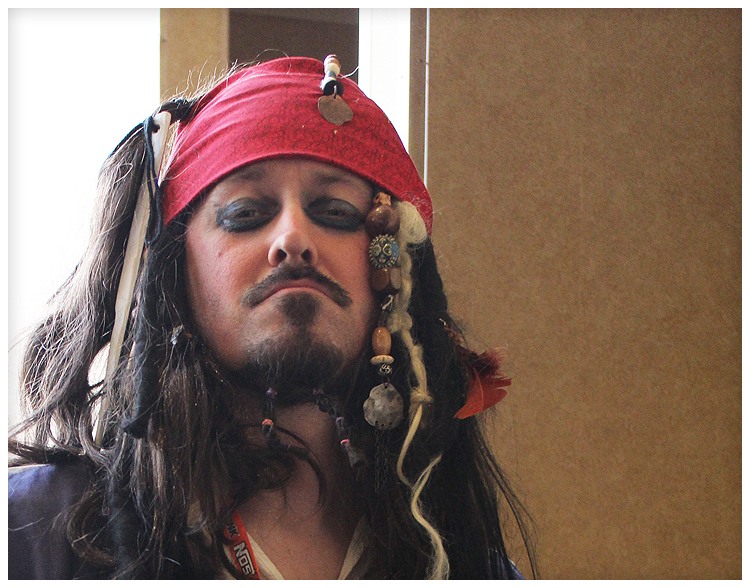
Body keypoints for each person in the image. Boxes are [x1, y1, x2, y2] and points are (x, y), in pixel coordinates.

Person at [8, 56, 535, 580]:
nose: (293, 238)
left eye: (336, 212)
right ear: (171, 271)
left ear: (391, 264)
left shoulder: (468, 566)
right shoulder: (27, 533)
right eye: (245, 214)